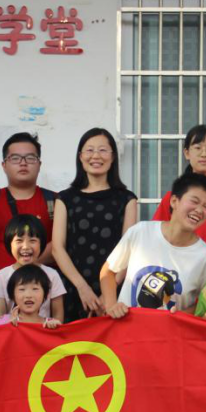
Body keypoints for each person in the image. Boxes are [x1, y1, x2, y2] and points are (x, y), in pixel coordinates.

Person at [101, 172, 206, 318]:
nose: (199, 210)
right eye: (194, 201)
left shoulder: (205, 257)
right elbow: (108, 271)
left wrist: (177, 317)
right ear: (174, 201)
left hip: (170, 332)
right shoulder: (141, 231)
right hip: (126, 327)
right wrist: (111, 305)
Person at [52, 128, 138, 321]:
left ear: (113, 157)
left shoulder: (127, 199)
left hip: (115, 293)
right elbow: (57, 248)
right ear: (80, 156)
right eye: (90, 150)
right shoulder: (65, 198)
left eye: (103, 150)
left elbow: (128, 252)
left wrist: (107, 296)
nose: (96, 156)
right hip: (73, 289)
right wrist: (82, 288)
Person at [0, 132, 56, 290]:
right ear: (4, 165)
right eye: (15, 158)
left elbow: (60, 245)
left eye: (30, 158)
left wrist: (25, 262)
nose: (23, 163)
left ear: (39, 164)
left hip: (39, 293)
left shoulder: (54, 201)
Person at [151, 125, 206, 247]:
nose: (204, 154)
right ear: (187, 153)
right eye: (197, 148)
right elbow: (156, 236)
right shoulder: (173, 197)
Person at [0, 215, 66, 323]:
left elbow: (58, 315)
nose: (25, 246)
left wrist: (54, 325)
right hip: (13, 332)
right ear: (9, 244)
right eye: (19, 240)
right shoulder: (1, 276)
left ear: (42, 243)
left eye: (32, 240)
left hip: (43, 332)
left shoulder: (52, 275)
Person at [0, 264, 62, 329]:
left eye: (35, 289)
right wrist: (8, 326)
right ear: (13, 295)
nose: (28, 295)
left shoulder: (51, 324)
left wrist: (57, 328)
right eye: (22, 289)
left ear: (46, 294)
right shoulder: (5, 321)